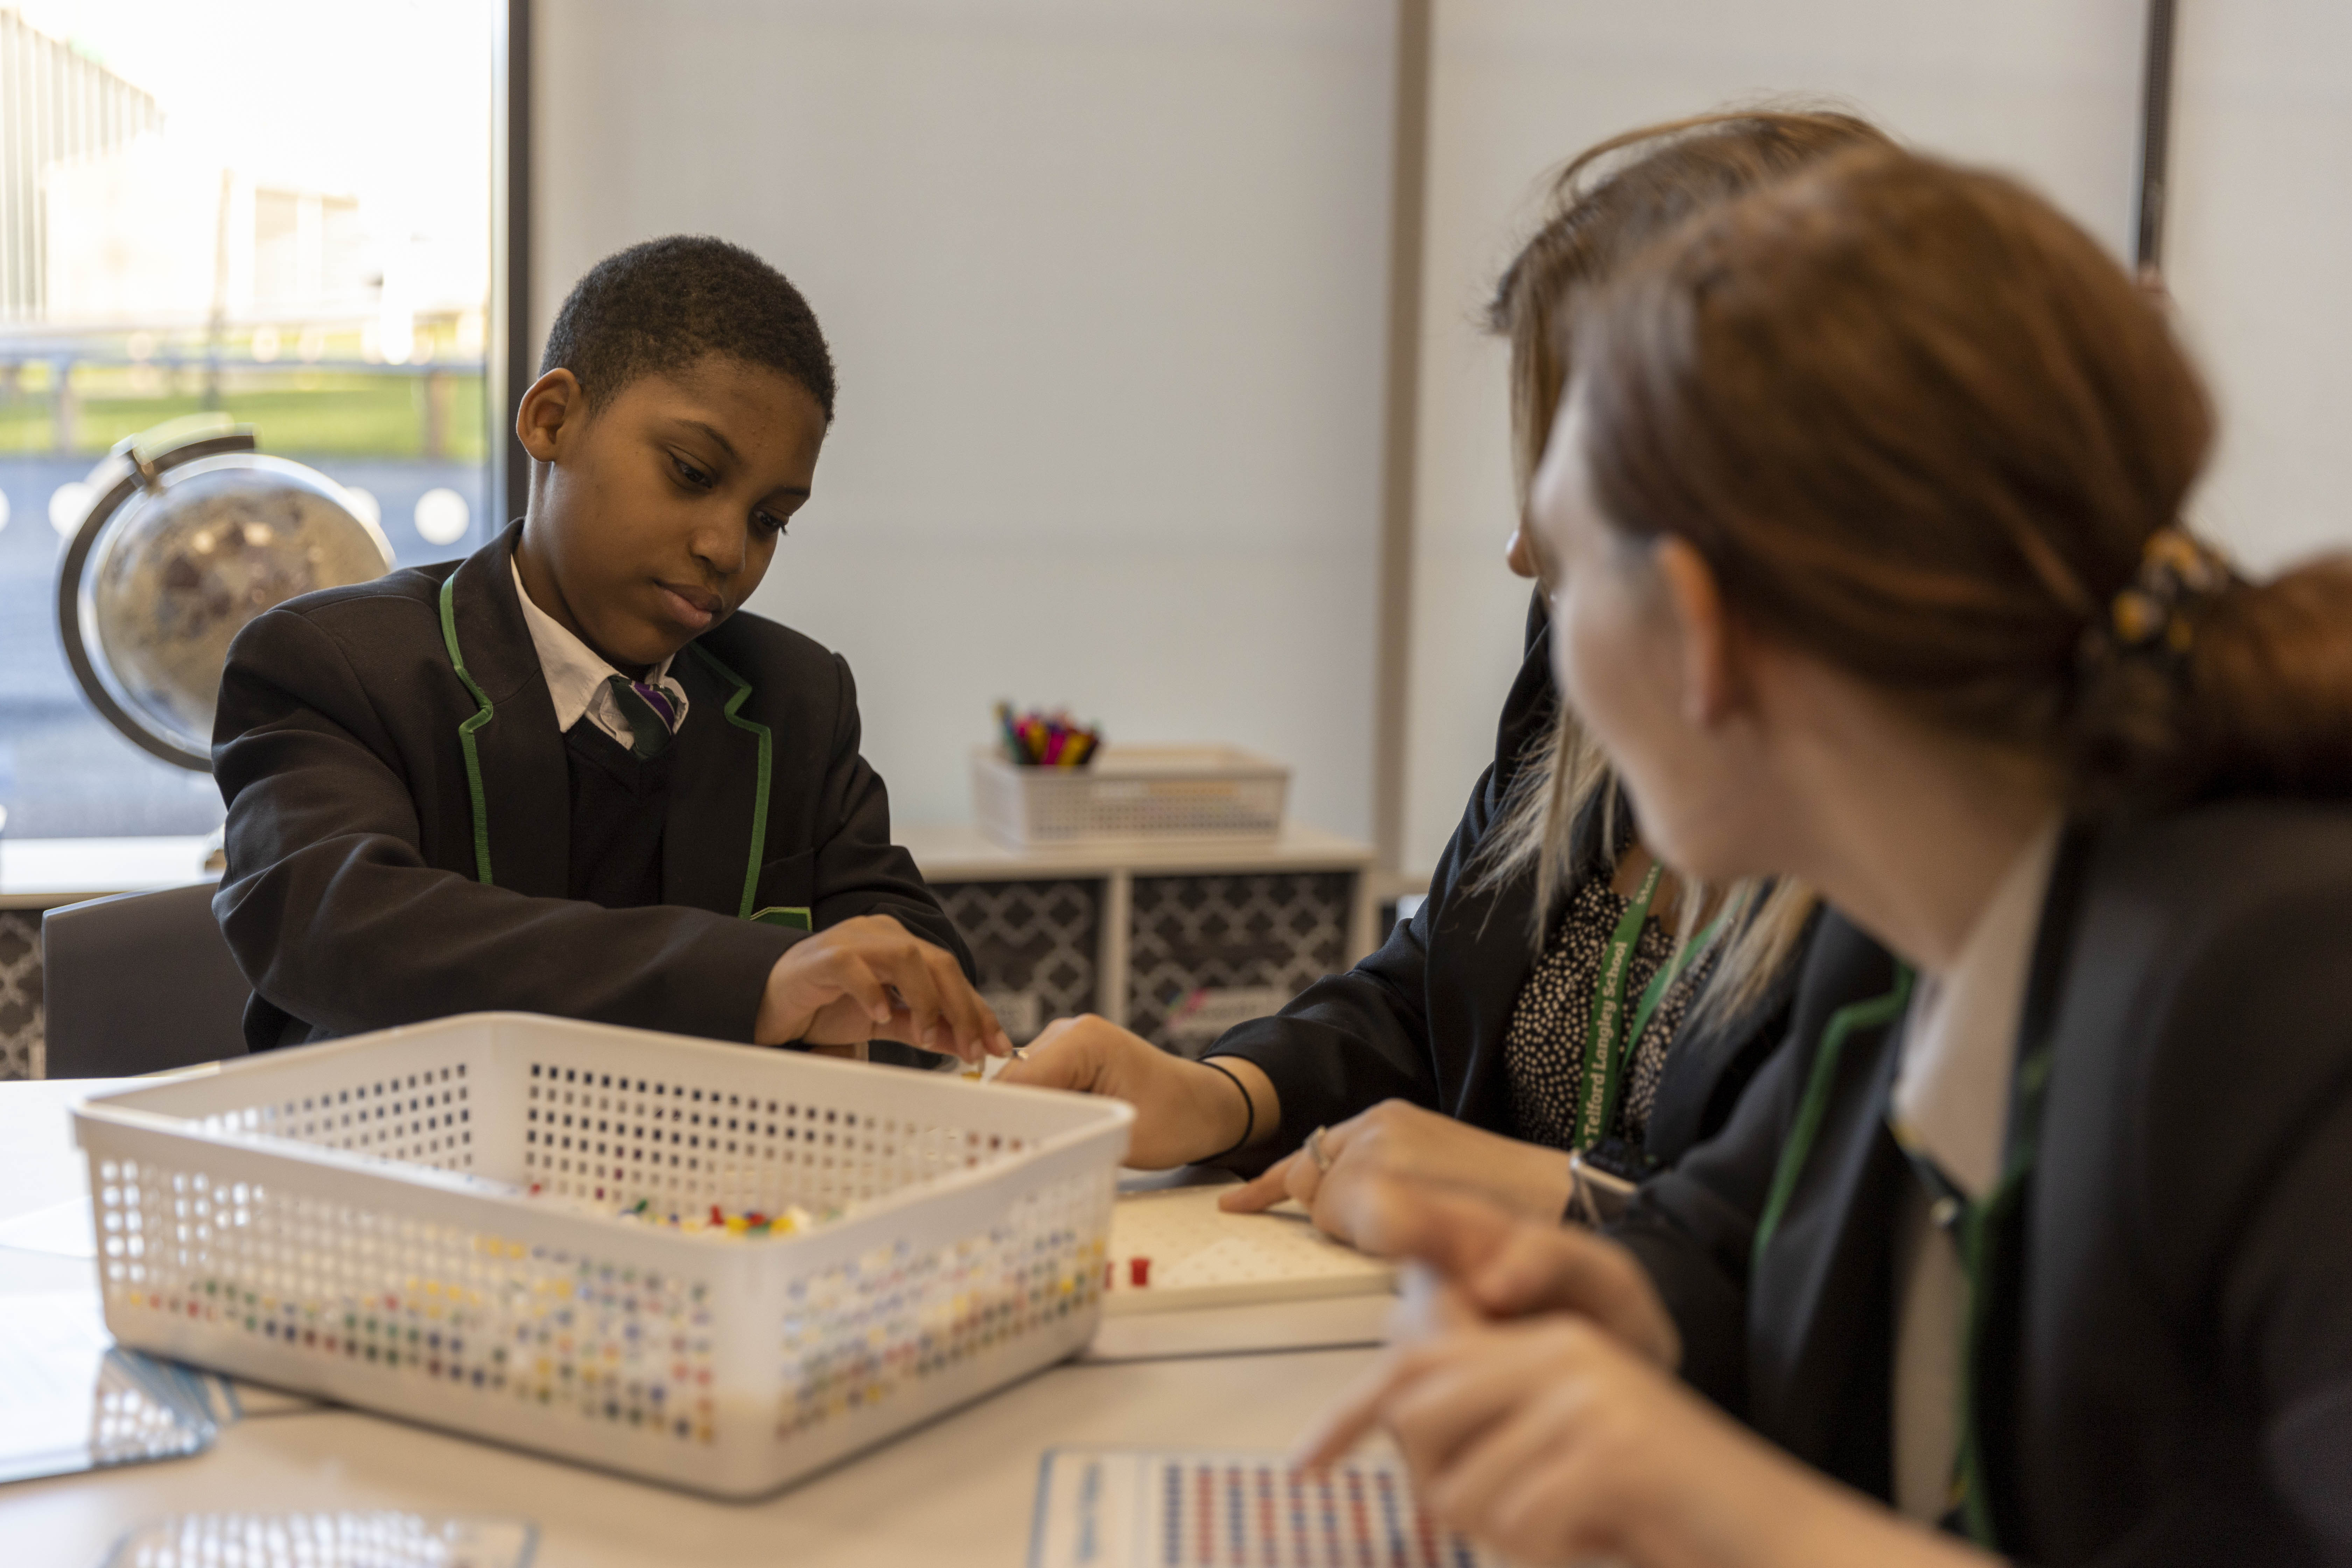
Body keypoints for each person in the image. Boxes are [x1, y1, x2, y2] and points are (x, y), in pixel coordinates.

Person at [1301, 146, 2352, 1567]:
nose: (1530, 584)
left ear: (1697, 628)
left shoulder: (2288, 986)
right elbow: (1731, 1248)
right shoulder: (1905, 929)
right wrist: (1621, 1305)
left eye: (1565, 556)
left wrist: (1736, 1513)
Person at [1003, 112, 1888, 1228]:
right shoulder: (1578, 670)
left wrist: (1548, 1195)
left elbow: (1824, 1244)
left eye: (1569, 471)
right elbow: (1436, 994)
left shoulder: (1921, 854)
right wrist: (1218, 1094)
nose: (1525, 551)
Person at [212, 236, 1009, 1065]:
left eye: (770, 519)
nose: (727, 548)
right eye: (692, 473)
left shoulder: (796, 697)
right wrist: (757, 983)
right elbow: (343, 930)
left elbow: (913, 962)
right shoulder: (337, 668)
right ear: (552, 420)